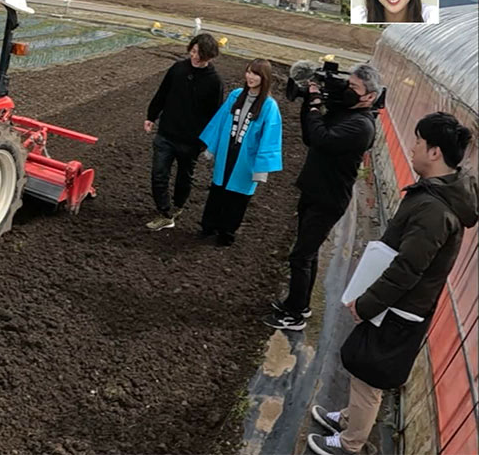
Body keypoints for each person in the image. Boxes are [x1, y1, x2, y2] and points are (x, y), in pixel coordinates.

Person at [307, 112, 477, 455]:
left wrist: (367, 303)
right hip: (399, 305)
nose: (412, 148)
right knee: (363, 366)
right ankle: (351, 419)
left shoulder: (433, 209)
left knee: (369, 373)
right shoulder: (438, 196)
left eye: (418, 141)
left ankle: (351, 442)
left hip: (400, 308)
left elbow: (407, 269)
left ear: (434, 152)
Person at [264, 64, 381, 331]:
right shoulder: (344, 114)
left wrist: (316, 105)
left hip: (328, 199)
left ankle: (293, 315)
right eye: (348, 85)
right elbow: (310, 136)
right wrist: (311, 104)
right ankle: (299, 304)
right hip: (315, 189)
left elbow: (322, 138)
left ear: (370, 97)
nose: (347, 91)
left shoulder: (361, 126)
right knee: (308, 253)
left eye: (354, 88)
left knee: (300, 256)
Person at [198, 58, 283, 246]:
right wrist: (212, 147)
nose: (250, 77)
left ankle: (226, 233)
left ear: (264, 78)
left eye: (256, 74)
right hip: (227, 152)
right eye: (249, 72)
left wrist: (262, 168)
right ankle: (208, 226)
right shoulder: (236, 95)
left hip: (246, 158)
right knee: (218, 189)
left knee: (237, 196)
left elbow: (270, 136)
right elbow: (220, 121)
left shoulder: (269, 106)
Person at [144, 33, 224, 230]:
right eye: (194, 51)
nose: (195, 57)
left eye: (201, 54)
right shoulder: (178, 69)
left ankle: (178, 206)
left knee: (184, 176)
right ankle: (165, 212)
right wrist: (151, 116)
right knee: (159, 174)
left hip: (190, 141)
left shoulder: (214, 82)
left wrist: (206, 141)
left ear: (210, 56)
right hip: (166, 133)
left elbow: (215, 116)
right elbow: (162, 93)